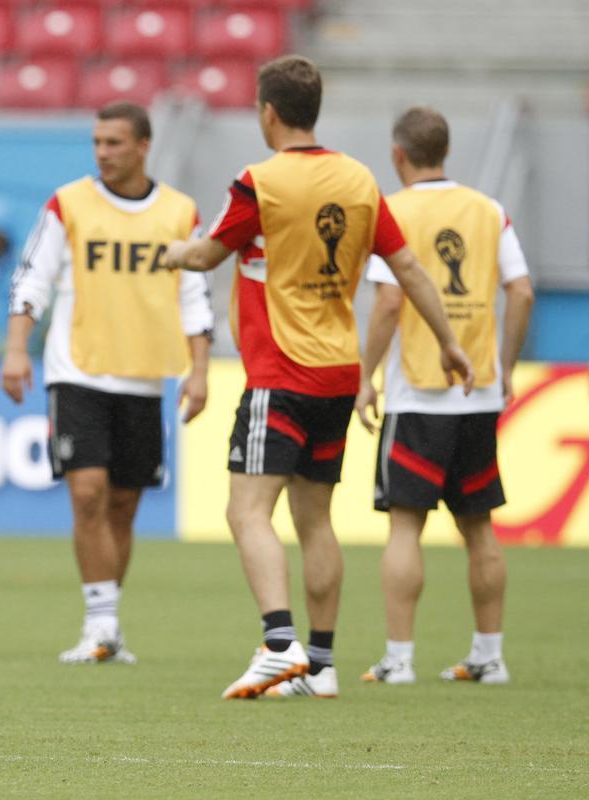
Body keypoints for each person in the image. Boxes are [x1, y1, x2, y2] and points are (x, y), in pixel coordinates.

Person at [164, 56, 474, 699]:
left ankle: (279, 645)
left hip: (281, 370)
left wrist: (169, 252)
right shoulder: (359, 179)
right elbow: (411, 269)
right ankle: (322, 665)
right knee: (315, 520)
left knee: (246, 510)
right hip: (339, 372)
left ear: (267, 112)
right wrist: (449, 341)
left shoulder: (260, 182)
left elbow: (209, 252)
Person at [3, 101, 214, 664]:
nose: (102, 152)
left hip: (145, 378)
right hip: (78, 371)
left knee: (123, 505)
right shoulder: (68, 204)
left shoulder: (179, 211)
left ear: (144, 146)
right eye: (97, 142)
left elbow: (195, 296)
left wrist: (199, 372)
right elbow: (32, 278)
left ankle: (108, 626)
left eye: (114, 143)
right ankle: (99, 624)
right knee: (88, 493)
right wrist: (17, 349)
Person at [357, 107, 534, 686]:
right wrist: (503, 366)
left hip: (417, 393)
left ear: (398, 154)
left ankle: (399, 661)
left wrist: (366, 376)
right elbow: (523, 291)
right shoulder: (488, 210)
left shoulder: (394, 210)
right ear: (445, 151)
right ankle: (489, 656)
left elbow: (387, 303)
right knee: (479, 528)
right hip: (476, 391)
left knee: (405, 527)